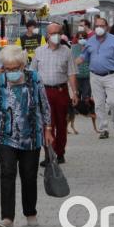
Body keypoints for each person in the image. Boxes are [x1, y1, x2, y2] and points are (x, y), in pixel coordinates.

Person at [0, 45, 54, 227]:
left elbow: (44, 105)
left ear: (22, 65)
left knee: (29, 175)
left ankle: (30, 212)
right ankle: (7, 218)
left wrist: (48, 129)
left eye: (14, 68)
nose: (10, 72)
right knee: (7, 173)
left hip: (31, 136)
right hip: (5, 135)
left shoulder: (34, 78)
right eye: (7, 68)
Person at [30, 23, 77, 165]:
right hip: (44, 92)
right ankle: (49, 154)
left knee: (61, 124)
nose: (55, 35)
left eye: (58, 32)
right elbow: (33, 73)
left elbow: (71, 73)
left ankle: (60, 152)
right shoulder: (39, 51)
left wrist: (74, 92)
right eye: (52, 33)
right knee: (46, 123)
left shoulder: (67, 51)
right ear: (47, 35)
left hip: (61, 91)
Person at [75, 17, 114, 139]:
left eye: (102, 26)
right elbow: (83, 56)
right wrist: (75, 62)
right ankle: (104, 129)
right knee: (98, 104)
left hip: (111, 74)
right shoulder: (90, 41)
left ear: (107, 27)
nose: (99, 28)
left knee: (113, 102)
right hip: (95, 75)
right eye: (97, 26)